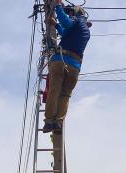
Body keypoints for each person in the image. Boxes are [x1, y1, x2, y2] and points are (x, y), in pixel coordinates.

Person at [43, 0, 91, 133]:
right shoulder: (85, 31)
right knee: (65, 95)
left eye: (70, 12)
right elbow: (65, 32)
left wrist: (58, 5)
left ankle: (49, 121)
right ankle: (58, 122)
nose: (69, 14)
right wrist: (56, 26)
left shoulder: (76, 20)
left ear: (76, 13)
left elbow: (66, 22)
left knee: (54, 90)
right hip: (75, 68)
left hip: (61, 61)